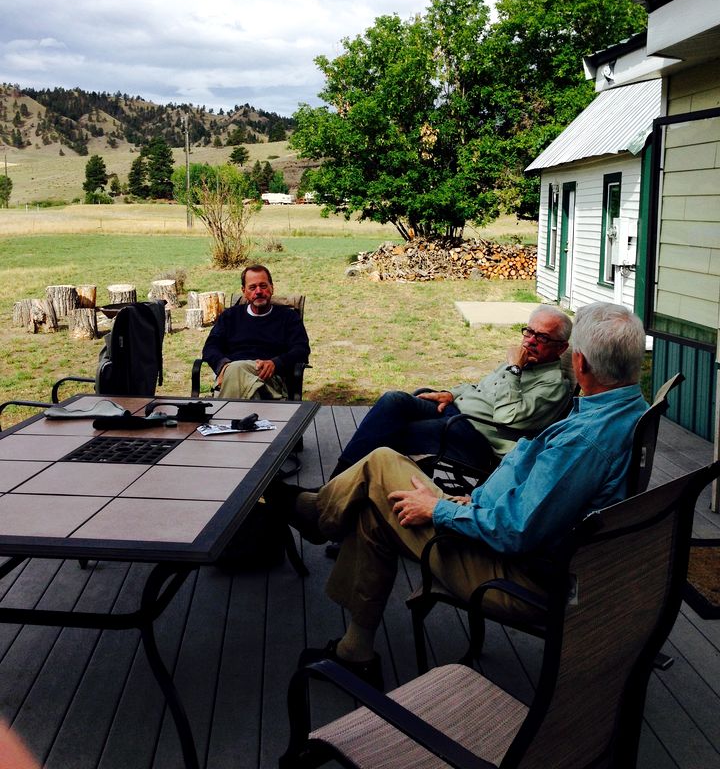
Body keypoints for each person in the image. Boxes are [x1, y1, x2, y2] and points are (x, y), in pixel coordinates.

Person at [270, 302, 648, 690]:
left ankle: (318, 513)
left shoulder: (583, 442)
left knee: (382, 461)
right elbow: (535, 505)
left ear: (579, 362)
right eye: (528, 332)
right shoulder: (625, 411)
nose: (532, 341)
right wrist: (466, 501)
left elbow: (515, 530)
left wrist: (440, 509)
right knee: (376, 509)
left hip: (514, 575)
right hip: (506, 527)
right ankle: (355, 652)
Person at [328, 304, 574, 479]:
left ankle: (340, 505)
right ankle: (336, 485)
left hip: (476, 437)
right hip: (455, 412)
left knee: (392, 435)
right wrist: (452, 393)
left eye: (541, 337)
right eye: (529, 331)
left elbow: (507, 417)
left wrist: (513, 369)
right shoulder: (522, 362)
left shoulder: (553, 385)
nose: (530, 341)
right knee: (395, 401)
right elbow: (480, 387)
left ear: (561, 348)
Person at [201, 264, 310, 400]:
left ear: (272, 288)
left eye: (263, 286)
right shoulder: (230, 316)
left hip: (270, 381)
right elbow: (210, 347)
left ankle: (223, 417)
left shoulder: (288, 318)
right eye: (252, 287)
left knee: (237, 370)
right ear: (244, 291)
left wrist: (276, 363)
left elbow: (301, 350)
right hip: (233, 377)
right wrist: (223, 366)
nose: (258, 291)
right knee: (244, 381)